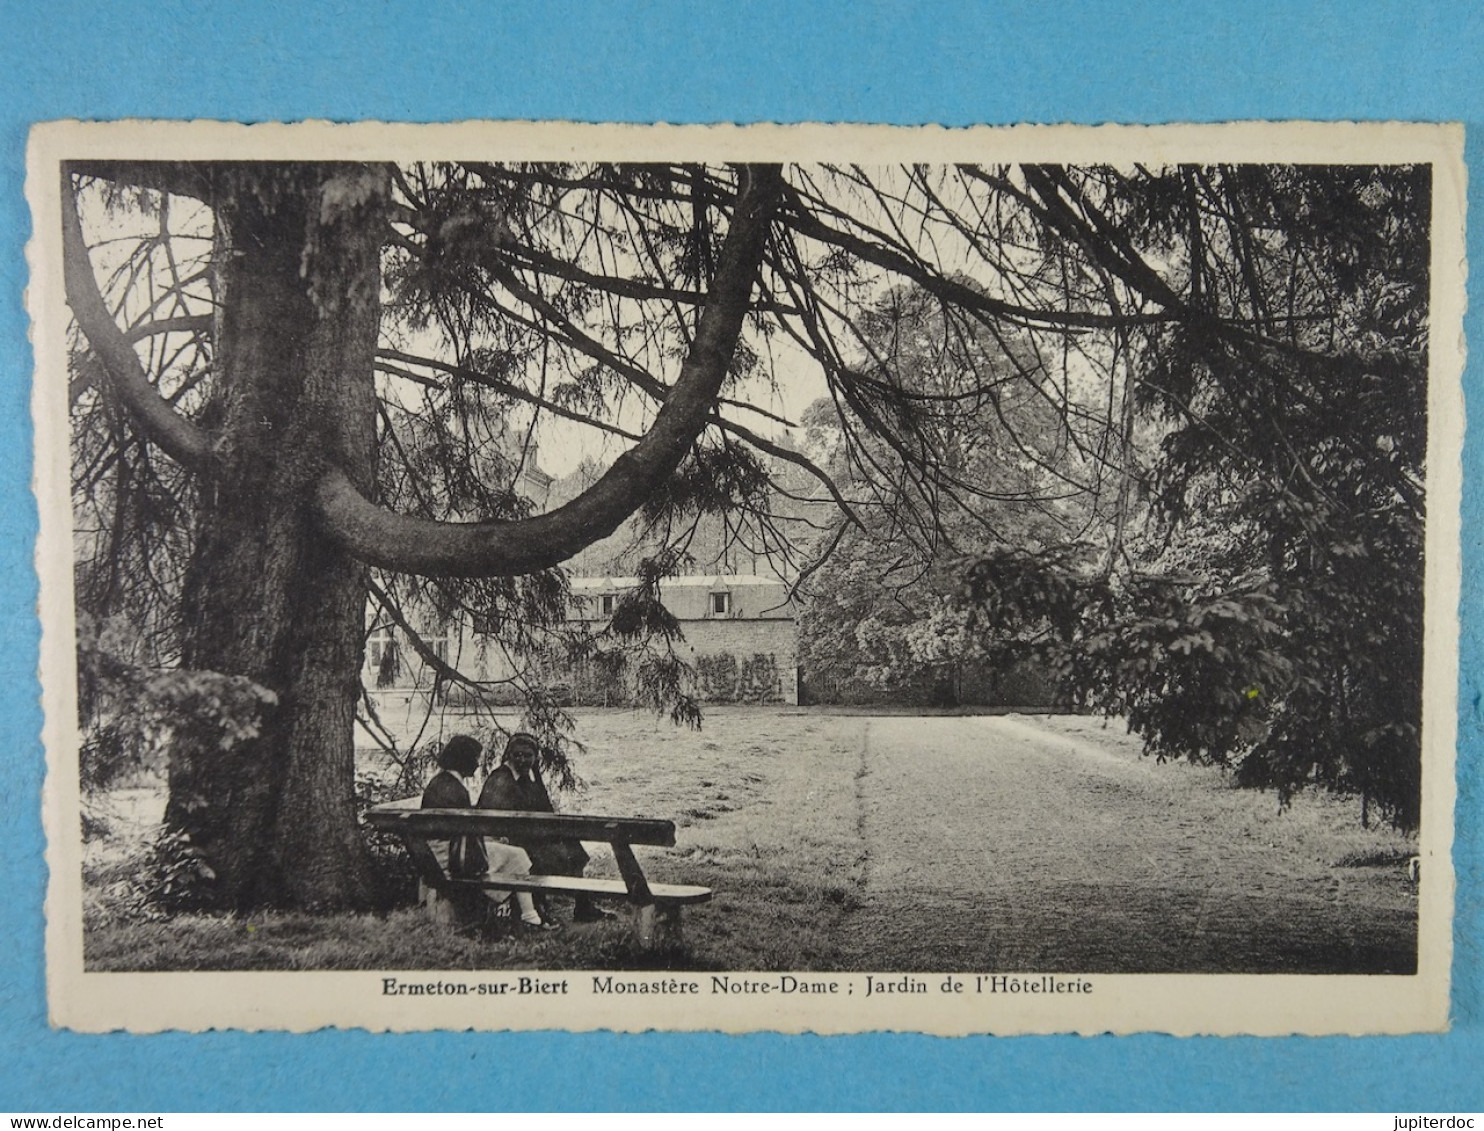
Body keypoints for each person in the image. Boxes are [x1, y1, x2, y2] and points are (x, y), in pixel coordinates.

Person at [420, 735, 557, 932]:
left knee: (513, 852)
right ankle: (530, 915)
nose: (477, 765)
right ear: (463, 760)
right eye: (474, 759)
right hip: (449, 855)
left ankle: (529, 913)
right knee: (517, 854)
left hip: (440, 850)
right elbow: (464, 830)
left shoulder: (442, 782)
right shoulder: (454, 788)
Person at [477, 732, 616, 923]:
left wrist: (537, 777)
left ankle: (583, 906)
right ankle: (539, 907)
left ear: (536, 758)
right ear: (509, 754)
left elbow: (545, 811)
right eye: (517, 755)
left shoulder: (527, 778)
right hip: (508, 842)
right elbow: (498, 822)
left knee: (572, 847)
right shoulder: (501, 779)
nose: (522, 760)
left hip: (527, 837)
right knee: (550, 854)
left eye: (528, 756)